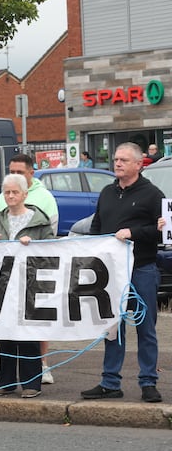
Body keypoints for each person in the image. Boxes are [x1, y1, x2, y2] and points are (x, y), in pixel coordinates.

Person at [81, 142, 164, 403]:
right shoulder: (106, 192)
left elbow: (162, 232)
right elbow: (97, 226)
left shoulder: (153, 195)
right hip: (111, 273)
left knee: (145, 327)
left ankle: (148, 382)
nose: (117, 163)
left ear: (139, 165)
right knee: (112, 327)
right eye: (116, 159)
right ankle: (110, 382)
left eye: (124, 160)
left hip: (142, 269)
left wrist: (134, 233)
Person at [0, 153, 59, 384]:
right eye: (7, 193)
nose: (11, 196)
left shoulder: (39, 219)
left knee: (28, 334)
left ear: (25, 194)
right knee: (5, 333)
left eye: (15, 192)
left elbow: (52, 249)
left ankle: (31, 381)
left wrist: (34, 246)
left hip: (31, 284)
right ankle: (5, 381)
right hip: (5, 284)